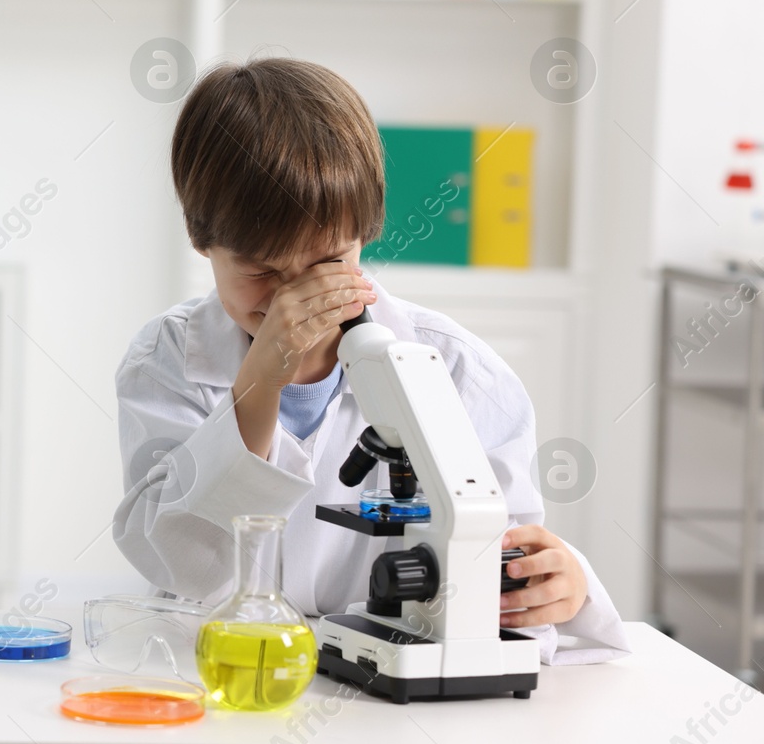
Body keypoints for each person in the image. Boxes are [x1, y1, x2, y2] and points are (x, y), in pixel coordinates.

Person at [112, 57, 629, 663]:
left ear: (367, 232)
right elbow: (179, 562)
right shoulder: (166, 361)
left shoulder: (462, 371)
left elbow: (501, 564)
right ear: (202, 240)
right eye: (262, 271)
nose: (292, 298)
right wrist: (258, 385)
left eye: (326, 264)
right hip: (219, 677)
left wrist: (560, 586)